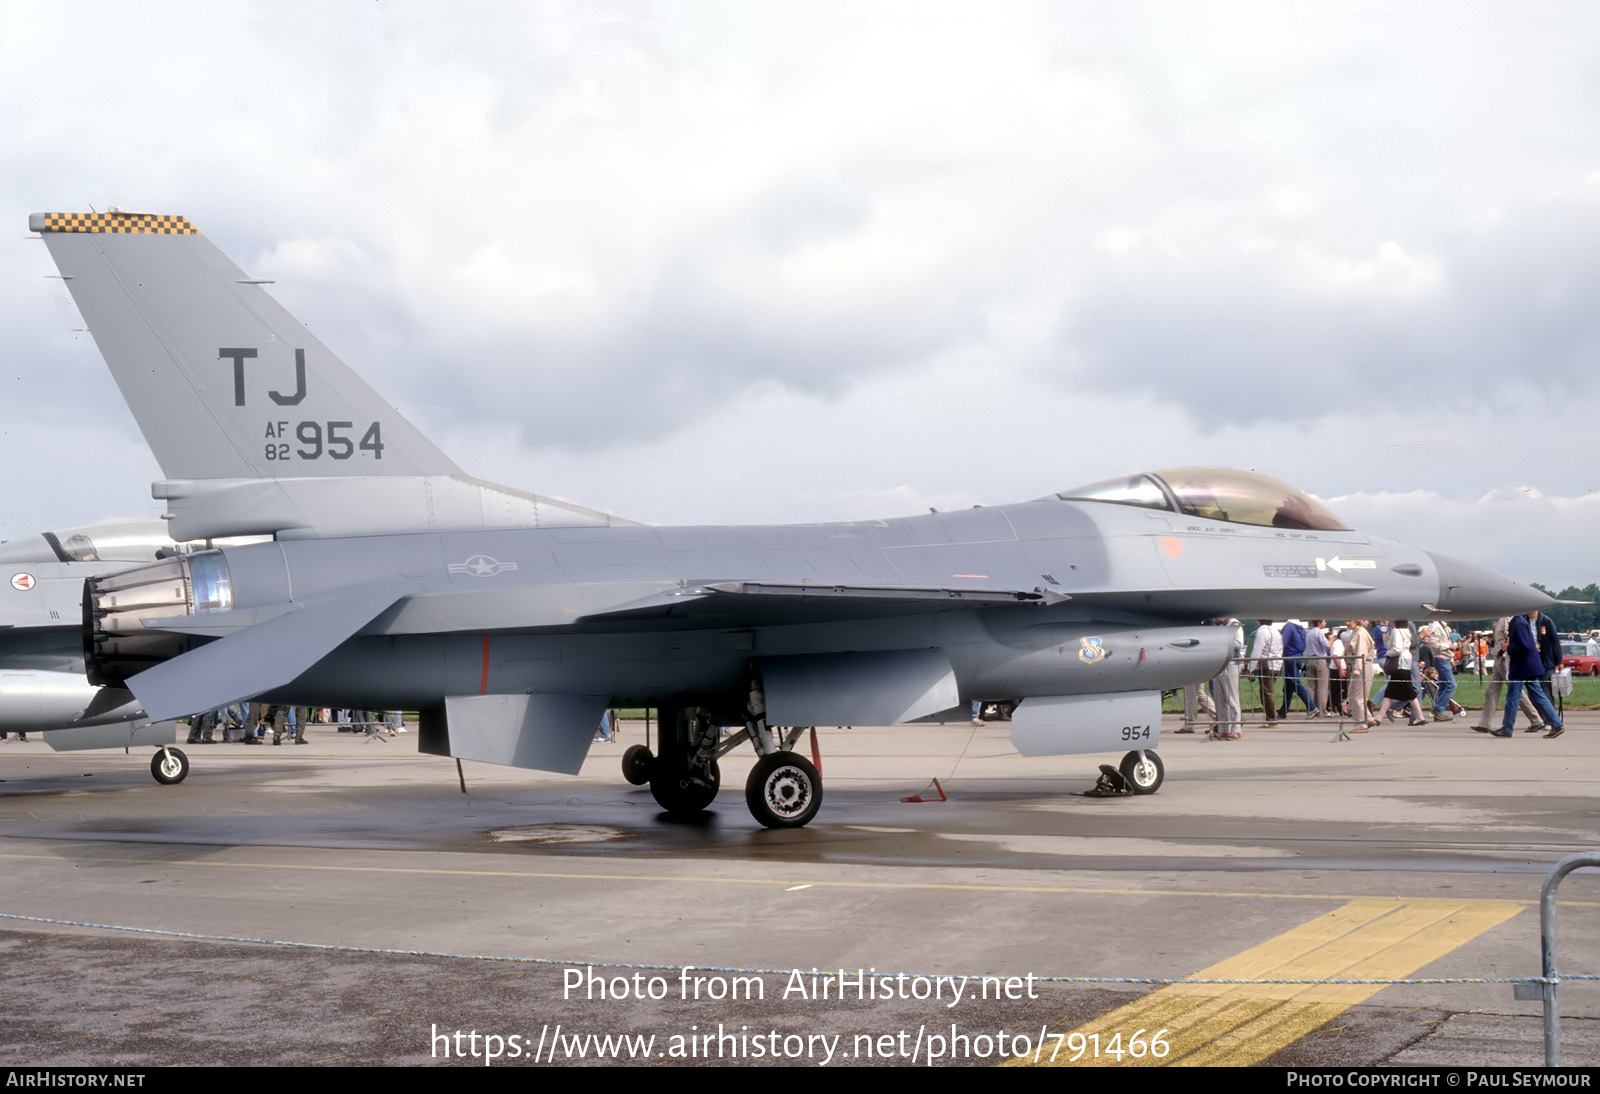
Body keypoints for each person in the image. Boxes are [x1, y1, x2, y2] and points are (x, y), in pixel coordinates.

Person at [1496, 611, 1564, 738]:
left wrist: (1508, 648)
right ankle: (1556, 724)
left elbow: (1525, 646)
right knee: (1539, 696)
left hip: (1522, 667)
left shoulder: (1518, 622)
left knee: (1512, 698)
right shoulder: (1520, 621)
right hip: (1529, 666)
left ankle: (1507, 728)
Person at [1473, 615, 1544, 734]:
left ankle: (1536, 720)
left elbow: (1509, 638)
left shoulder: (1506, 619)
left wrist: (1504, 654)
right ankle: (1484, 723)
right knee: (1491, 691)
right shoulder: (1499, 618)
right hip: (1498, 655)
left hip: (1503, 657)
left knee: (1515, 691)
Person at [1363, 620, 1426, 729]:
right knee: (1391, 692)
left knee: (1407, 691)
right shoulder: (1404, 631)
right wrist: (1386, 633)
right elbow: (1389, 644)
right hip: (1405, 662)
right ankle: (1379, 717)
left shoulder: (1397, 631)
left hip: (1399, 663)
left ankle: (1419, 716)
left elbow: (1396, 649)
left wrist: (1389, 654)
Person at [1209, 617, 1245, 740]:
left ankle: (1236, 729)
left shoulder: (1234, 624)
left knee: (1232, 698)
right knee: (1220, 699)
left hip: (1231, 663)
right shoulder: (1216, 625)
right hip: (1219, 663)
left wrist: (1220, 642)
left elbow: (1239, 643)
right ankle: (1224, 728)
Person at [1249, 620, 1283, 730]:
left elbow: (1257, 650)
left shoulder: (1262, 632)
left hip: (1266, 665)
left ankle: (1271, 719)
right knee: (1268, 692)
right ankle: (1271, 717)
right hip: (1276, 665)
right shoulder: (1277, 632)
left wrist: (1251, 667)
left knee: (1267, 693)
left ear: (1259, 622)